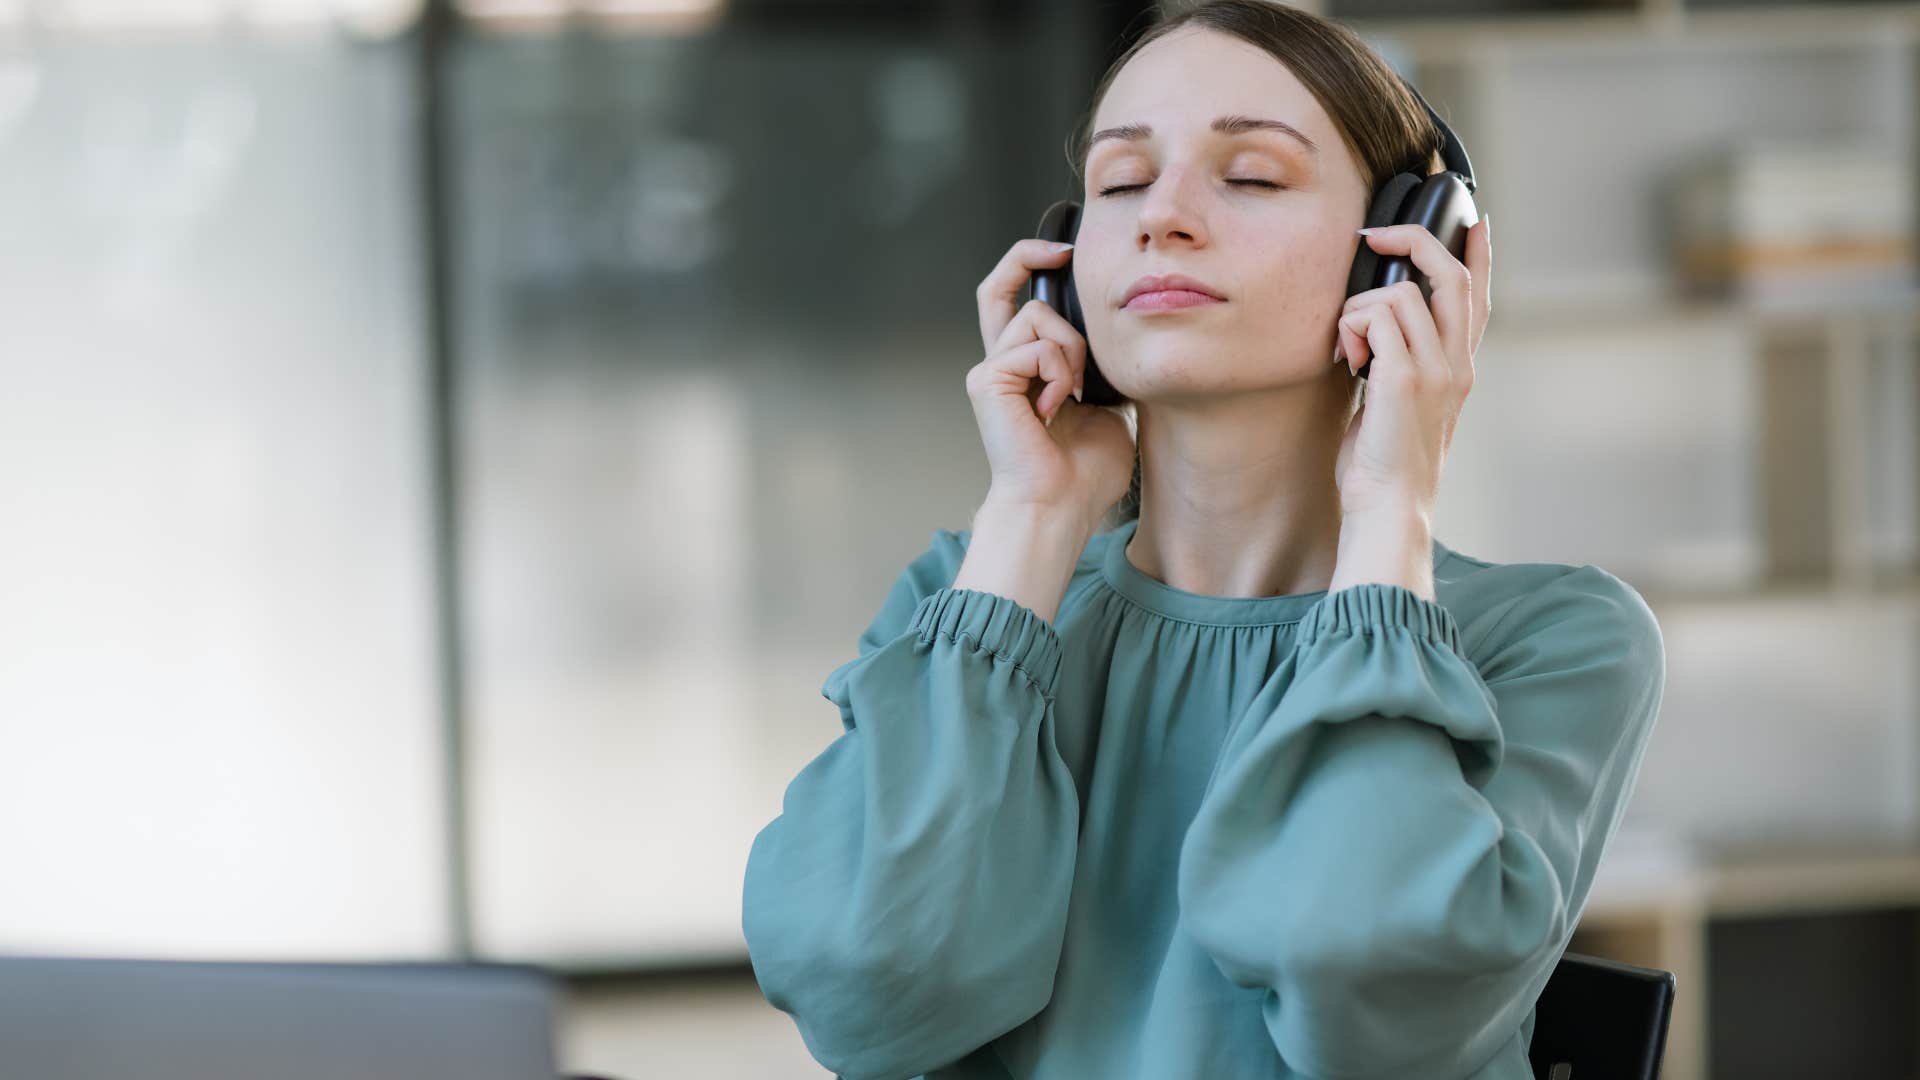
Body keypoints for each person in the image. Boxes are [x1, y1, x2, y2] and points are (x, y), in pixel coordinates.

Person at [740, 2, 1667, 1077]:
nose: (1160, 219)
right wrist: (1035, 518)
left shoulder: (1555, 638)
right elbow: (873, 998)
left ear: (1411, 257)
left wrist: (1390, 508)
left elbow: (1367, 1000)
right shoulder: (968, 594)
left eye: (1253, 176)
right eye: (1120, 182)